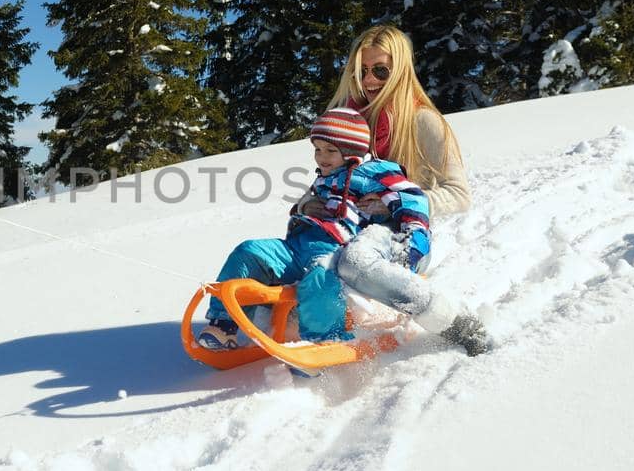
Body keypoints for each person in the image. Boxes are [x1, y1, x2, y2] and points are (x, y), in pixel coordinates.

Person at [197, 107, 488, 356]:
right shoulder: (323, 178)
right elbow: (301, 208)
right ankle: (224, 324)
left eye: (330, 151)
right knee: (248, 251)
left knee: (320, 281)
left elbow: (412, 197)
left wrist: (412, 234)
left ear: (350, 152)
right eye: (317, 150)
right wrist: (302, 209)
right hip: (296, 246)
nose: (321, 158)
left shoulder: (372, 172)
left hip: (333, 249)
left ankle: (324, 339)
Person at [327, 24, 471, 218]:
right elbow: (326, 181)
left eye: (380, 71)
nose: (368, 80)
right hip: (345, 227)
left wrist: (397, 202)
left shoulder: (423, 121)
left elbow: (459, 196)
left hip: (401, 234)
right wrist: (308, 204)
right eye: (362, 71)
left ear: (400, 72)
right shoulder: (348, 123)